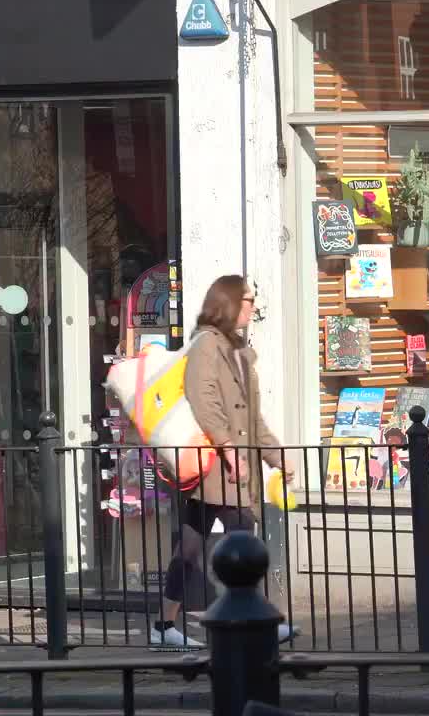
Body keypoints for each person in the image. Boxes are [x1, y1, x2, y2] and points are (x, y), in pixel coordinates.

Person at [150, 275, 297, 648]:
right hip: (216, 465)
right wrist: (230, 449)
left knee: (190, 546)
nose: (253, 307)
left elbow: (252, 417)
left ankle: (165, 626)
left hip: (232, 464)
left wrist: (276, 454)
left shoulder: (238, 351)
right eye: (248, 300)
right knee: (243, 538)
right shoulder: (205, 346)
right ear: (229, 302)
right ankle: (258, 622)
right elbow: (205, 402)